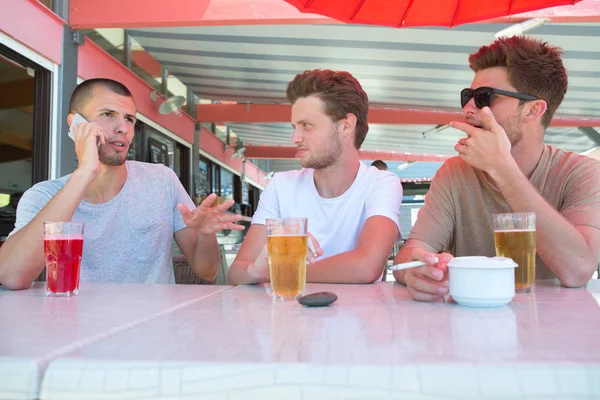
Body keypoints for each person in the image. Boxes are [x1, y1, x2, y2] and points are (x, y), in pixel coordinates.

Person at [394, 36, 600, 301]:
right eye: (468, 96)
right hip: (471, 326)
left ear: (533, 110)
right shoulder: (455, 172)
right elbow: (412, 253)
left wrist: (503, 169)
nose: (469, 108)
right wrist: (418, 271)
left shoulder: (581, 173)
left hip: (556, 334)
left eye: (484, 97)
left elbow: (578, 270)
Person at [0, 78, 242, 290]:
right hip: (76, 331)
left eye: (129, 119)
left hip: (154, 331)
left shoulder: (161, 180)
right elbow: (13, 277)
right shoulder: (43, 195)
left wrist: (206, 235)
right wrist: (86, 171)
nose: (123, 128)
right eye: (108, 115)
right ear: (75, 124)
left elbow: (206, 271)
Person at [227, 69, 402, 285]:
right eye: (294, 127)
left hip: (359, 316)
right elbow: (236, 273)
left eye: (306, 126)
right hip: (287, 316)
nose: (295, 138)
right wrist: (255, 271)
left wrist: (281, 271)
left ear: (346, 125)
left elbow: (367, 267)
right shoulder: (281, 186)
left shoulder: (380, 183)